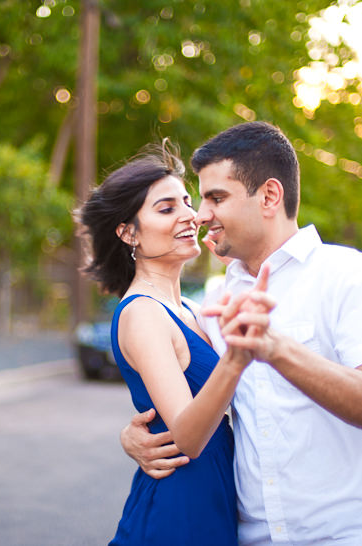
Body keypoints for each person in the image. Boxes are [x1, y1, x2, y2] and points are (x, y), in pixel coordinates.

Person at [121, 122, 362, 545]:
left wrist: (276, 349)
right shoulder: (216, 299)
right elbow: (184, 391)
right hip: (251, 537)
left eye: (216, 198)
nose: (201, 215)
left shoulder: (351, 276)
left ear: (270, 196)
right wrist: (133, 436)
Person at [77, 142, 274, 545]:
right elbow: (186, 436)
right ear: (129, 232)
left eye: (188, 202)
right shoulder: (143, 312)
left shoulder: (188, 307)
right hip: (177, 511)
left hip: (214, 499)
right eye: (167, 209)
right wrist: (235, 360)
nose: (190, 215)